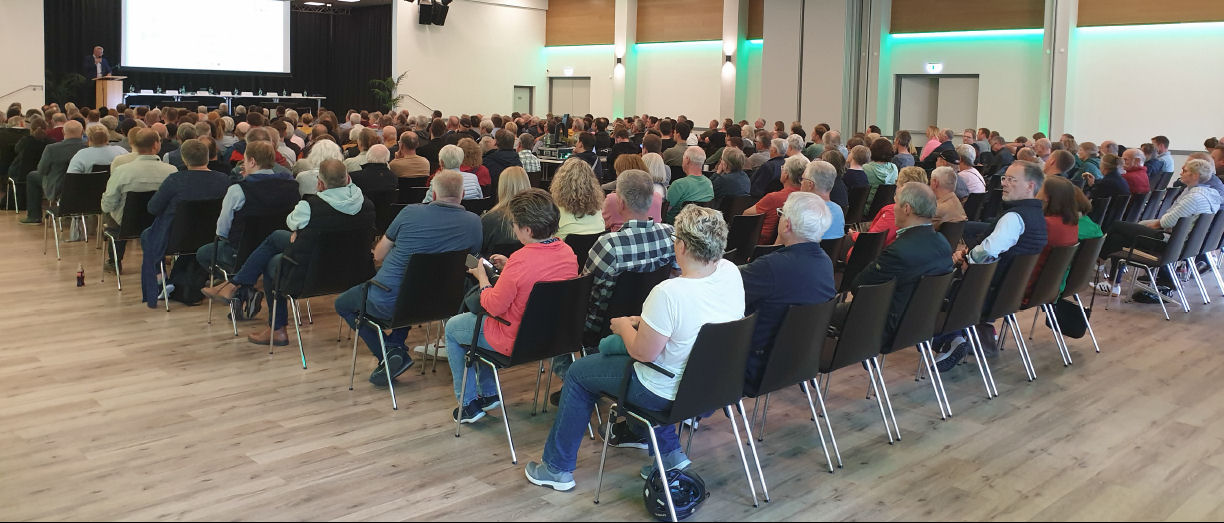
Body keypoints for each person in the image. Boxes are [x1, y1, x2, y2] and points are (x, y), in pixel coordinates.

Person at [525, 206, 742, 491]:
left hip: (663, 391)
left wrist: (623, 326)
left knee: (578, 373)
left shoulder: (669, 292)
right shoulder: (729, 272)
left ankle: (557, 468)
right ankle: (669, 456)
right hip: (709, 385)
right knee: (663, 363)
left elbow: (642, 354)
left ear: (682, 246)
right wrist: (647, 322)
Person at [202, 159, 374, 344]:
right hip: (352, 271)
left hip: (312, 273)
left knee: (271, 263)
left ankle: (275, 326)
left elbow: (291, 222)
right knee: (276, 237)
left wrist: (299, 231)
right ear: (347, 179)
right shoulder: (366, 204)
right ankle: (235, 285)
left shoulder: (310, 207)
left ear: (320, 183)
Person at [334, 170, 482, 384]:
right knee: (412, 288)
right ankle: (395, 344)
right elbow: (471, 261)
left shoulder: (410, 212)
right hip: (441, 302)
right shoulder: (474, 222)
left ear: (433, 194)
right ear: (463, 194)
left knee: (342, 304)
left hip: (391, 300)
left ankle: (388, 353)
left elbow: (379, 255)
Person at [447, 189, 579, 424]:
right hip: (550, 336)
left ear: (527, 230)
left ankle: (468, 403)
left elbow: (493, 306)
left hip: (517, 340)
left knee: (454, 327)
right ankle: (488, 393)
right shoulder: (567, 252)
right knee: (475, 326)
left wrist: (482, 278)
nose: (514, 229)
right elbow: (539, 277)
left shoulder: (522, 260)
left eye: (515, 225)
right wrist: (509, 267)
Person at [741, 191, 836, 388]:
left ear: (787, 225)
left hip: (755, 365)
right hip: (801, 360)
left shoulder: (771, 267)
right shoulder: (825, 263)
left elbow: (727, 294)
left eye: (781, 214)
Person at [841, 182, 953, 344]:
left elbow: (859, 286)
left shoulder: (899, 251)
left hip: (888, 326)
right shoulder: (943, 243)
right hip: (923, 322)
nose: (893, 208)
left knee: (822, 317)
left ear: (906, 209)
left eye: (896, 203)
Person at [1097, 159, 1222, 296]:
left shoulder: (1194, 198)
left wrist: (1143, 225)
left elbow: (1166, 222)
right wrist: (1144, 225)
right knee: (1118, 238)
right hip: (1183, 245)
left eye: (1184, 170)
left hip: (1170, 244)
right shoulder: (1209, 194)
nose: (1181, 173)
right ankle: (1110, 279)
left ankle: (1100, 262)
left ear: (1195, 175)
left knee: (1117, 226)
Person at [140, 139, 230, 308]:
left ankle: (160, 278)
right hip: (212, 237)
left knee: (148, 234)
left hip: (176, 239)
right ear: (208, 156)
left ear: (184, 159)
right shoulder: (224, 180)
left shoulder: (175, 180)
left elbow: (153, 207)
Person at [195, 141, 301, 274]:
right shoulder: (291, 186)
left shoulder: (238, 190)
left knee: (202, 253)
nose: (243, 164)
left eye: (244, 160)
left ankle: (236, 281)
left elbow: (222, 231)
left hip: (242, 252)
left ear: (252, 162)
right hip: (278, 249)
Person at [100, 127, 177, 270]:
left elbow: (108, 204)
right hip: (160, 223)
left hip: (126, 223)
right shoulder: (172, 171)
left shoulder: (121, 171)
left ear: (133, 145)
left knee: (111, 212)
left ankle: (114, 261)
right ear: (156, 145)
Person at [21, 120, 86, 224]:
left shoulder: (52, 148)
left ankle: (34, 216)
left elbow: (42, 170)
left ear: (63, 132)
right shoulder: (88, 147)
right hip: (85, 186)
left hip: (59, 186)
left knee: (32, 176)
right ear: (82, 132)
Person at [849, 166, 929, 248]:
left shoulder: (894, 211)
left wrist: (853, 235)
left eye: (897, 182)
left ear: (902, 187)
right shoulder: (926, 214)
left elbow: (872, 240)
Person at [745, 154, 808, 244]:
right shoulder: (809, 199)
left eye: (782, 168)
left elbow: (746, 215)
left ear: (786, 175)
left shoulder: (774, 198)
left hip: (762, 246)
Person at [602, 155, 663, 231]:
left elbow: (602, 224)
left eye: (617, 172)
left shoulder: (613, 199)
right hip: (653, 234)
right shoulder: (657, 197)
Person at [480, 167, 532, 255]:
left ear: (501, 187)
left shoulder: (488, 219)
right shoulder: (538, 219)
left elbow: (480, 250)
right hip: (528, 262)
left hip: (495, 262)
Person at [550, 158, 606, 239]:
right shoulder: (598, 210)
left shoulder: (555, 210)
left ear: (560, 182)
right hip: (595, 245)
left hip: (563, 244)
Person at [665, 147, 714, 223]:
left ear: (687, 160)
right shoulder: (709, 183)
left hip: (676, 226)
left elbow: (664, 210)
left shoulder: (678, 185)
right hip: (701, 226)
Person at [800, 160, 847, 240]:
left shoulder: (802, 211)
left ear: (810, 185)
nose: (801, 182)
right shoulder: (838, 210)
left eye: (802, 179)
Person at [483, 129, 523, 195]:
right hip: (515, 197)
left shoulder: (487, 161)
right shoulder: (518, 161)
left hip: (495, 197)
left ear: (495, 142)